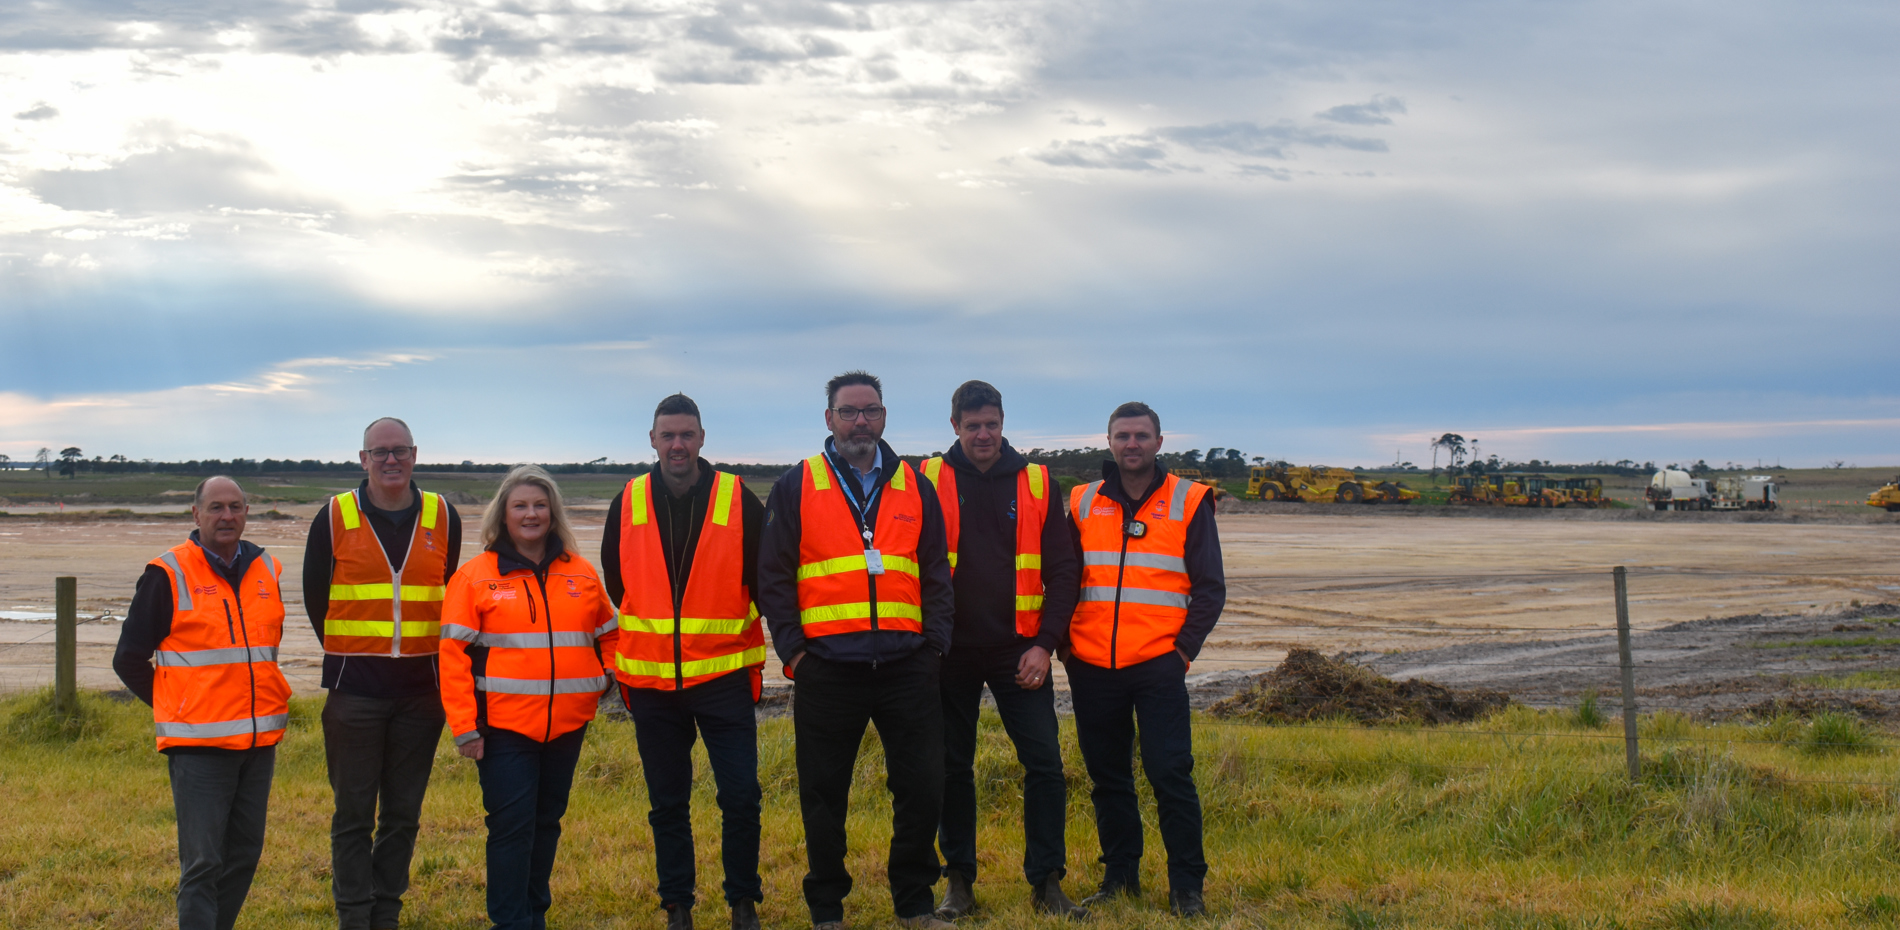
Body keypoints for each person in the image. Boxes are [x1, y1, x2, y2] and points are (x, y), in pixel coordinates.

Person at [758, 370, 956, 930]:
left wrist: (934, 646)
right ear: (829, 420)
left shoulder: (916, 486)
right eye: (848, 412)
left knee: (921, 788)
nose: (860, 421)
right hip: (827, 671)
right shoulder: (798, 484)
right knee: (824, 795)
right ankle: (827, 909)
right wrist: (795, 655)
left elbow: (936, 570)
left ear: (885, 417)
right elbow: (774, 576)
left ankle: (915, 904)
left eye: (870, 410)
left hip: (907, 668)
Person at [921, 381, 1086, 920]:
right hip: (948, 652)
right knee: (951, 768)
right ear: (954, 427)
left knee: (1044, 765)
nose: (983, 434)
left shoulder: (1038, 482)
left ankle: (1047, 883)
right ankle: (959, 884)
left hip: (1020, 652)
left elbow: (1064, 571)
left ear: (1002, 421)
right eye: (972, 426)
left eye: (991, 423)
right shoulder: (925, 479)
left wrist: (1045, 644)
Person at [602, 394, 768, 930]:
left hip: (722, 678)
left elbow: (765, 579)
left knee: (741, 796)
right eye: (667, 435)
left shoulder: (738, 498)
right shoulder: (626, 501)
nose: (677, 444)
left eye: (687, 434)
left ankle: (743, 902)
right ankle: (678, 906)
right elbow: (617, 581)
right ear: (652, 440)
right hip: (651, 685)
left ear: (702, 438)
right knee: (667, 804)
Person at [439, 465, 619, 930]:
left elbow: (610, 635)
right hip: (502, 729)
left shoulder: (580, 573)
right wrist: (464, 727)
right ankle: (510, 920)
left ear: (553, 513)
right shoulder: (475, 577)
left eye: (540, 505)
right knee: (511, 827)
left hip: (567, 726)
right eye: (520, 505)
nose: (531, 514)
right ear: (503, 514)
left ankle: (534, 912)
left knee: (546, 822)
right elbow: (453, 657)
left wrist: (605, 678)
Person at [1063, 402, 1224, 918]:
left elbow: (1210, 588)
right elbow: (1064, 579)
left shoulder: (1189, 500)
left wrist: (1182, 651)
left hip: (1158, 664)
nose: (1131, 444)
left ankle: (1187, 888)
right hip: (1091, 665)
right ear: (1108, 441)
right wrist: (1066, 647)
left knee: (1169, 773)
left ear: (1159, 441)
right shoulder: (1083, 501)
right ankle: (1120, 878)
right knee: (1108, 778)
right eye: (1122, 435)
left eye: (1141, 435)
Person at [113, 475, 292, 930]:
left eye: (235, 506)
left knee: (244, 854)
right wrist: (176, 708)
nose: (227, 516)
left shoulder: (266, 569)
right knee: (203, 864)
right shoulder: (168, 573)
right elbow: (128, 659)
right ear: (196, 514)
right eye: (215, 508)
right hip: (199, 747)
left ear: (247, 512)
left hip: (258, 743)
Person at [304, 417, 462, 930]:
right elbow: (315, 598)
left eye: (399, 451)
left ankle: (386, 911)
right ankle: (354, 915)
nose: (390, 460)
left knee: (402, 814)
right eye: (380, 452)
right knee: (353, 815)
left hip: (422, 695)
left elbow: (452, 593)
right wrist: (351, 654)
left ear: (415, 455)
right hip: (354, 695)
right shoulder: (334, 516)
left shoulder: (443, 515)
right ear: (363, 458)